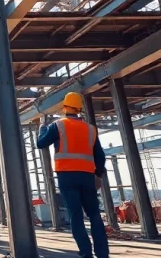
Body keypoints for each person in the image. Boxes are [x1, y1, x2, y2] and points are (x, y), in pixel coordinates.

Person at [36, 92, 109, 258]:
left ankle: (86, 253)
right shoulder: (90, 129)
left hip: (67, 176)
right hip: (87, 176)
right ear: (79, 109)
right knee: (94, 215)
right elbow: (100, 156)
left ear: (65, 108)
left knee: (75, 215)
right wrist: (98, 175)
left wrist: (42, 128)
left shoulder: (58, 125)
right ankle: (103, 254)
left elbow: (41, 143)